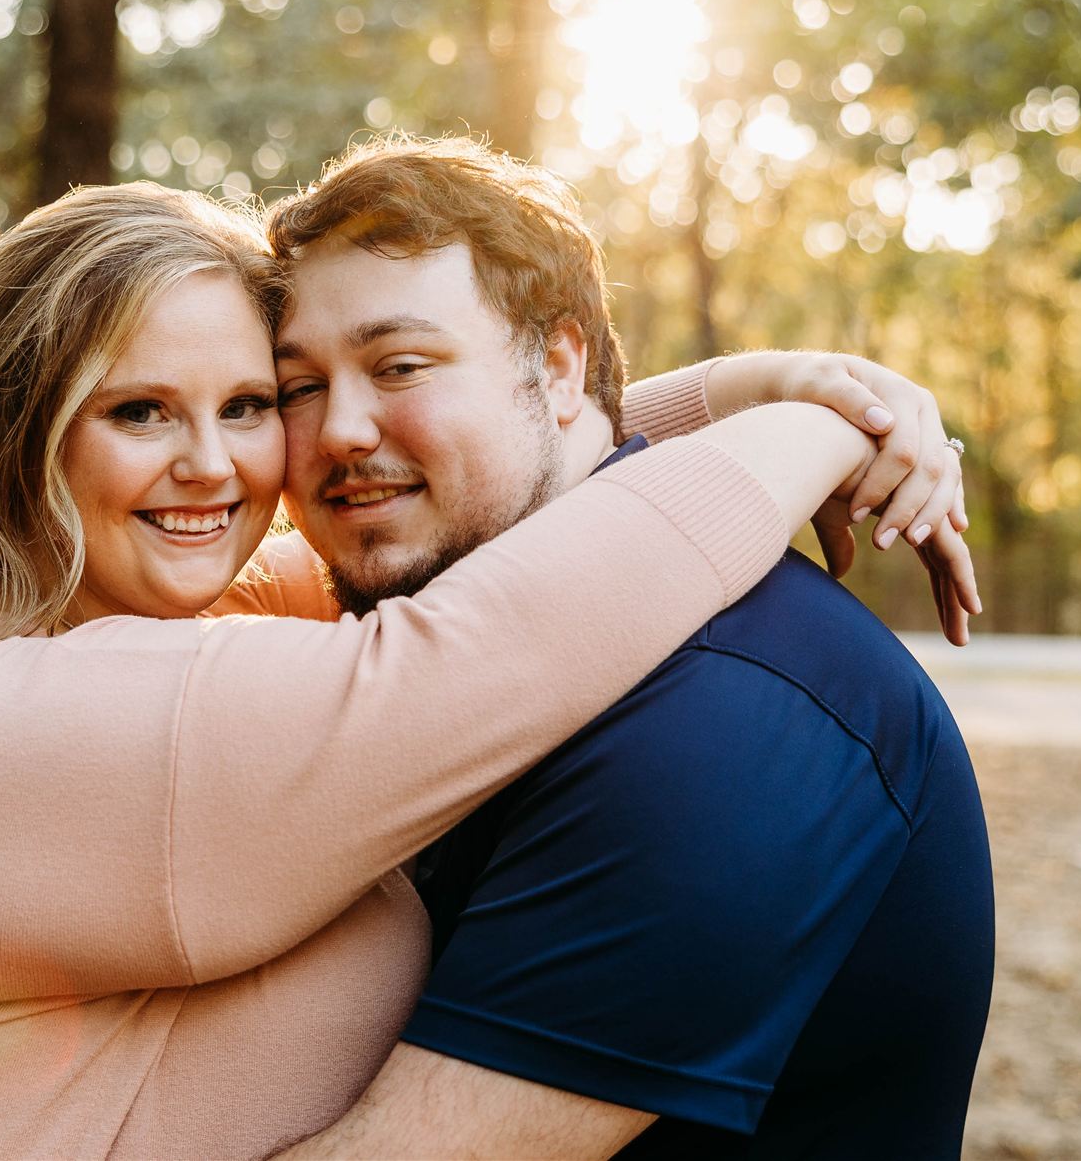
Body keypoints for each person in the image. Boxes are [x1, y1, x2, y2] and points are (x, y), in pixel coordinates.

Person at [0, 180, 972, 1160]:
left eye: (247, 403)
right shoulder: (22, 726)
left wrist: (739, 387)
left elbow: (475, 492)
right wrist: (808, 426)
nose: (218, 467)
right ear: (15, 436)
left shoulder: (125, 619)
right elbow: (476, 643)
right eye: (138, 412)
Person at [260, 137, 995, 1160]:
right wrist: (764, 386)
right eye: (295, 387)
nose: (338, 430)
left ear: (557, 366)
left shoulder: (723, 716)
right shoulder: (474, 634)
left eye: (401, 366)